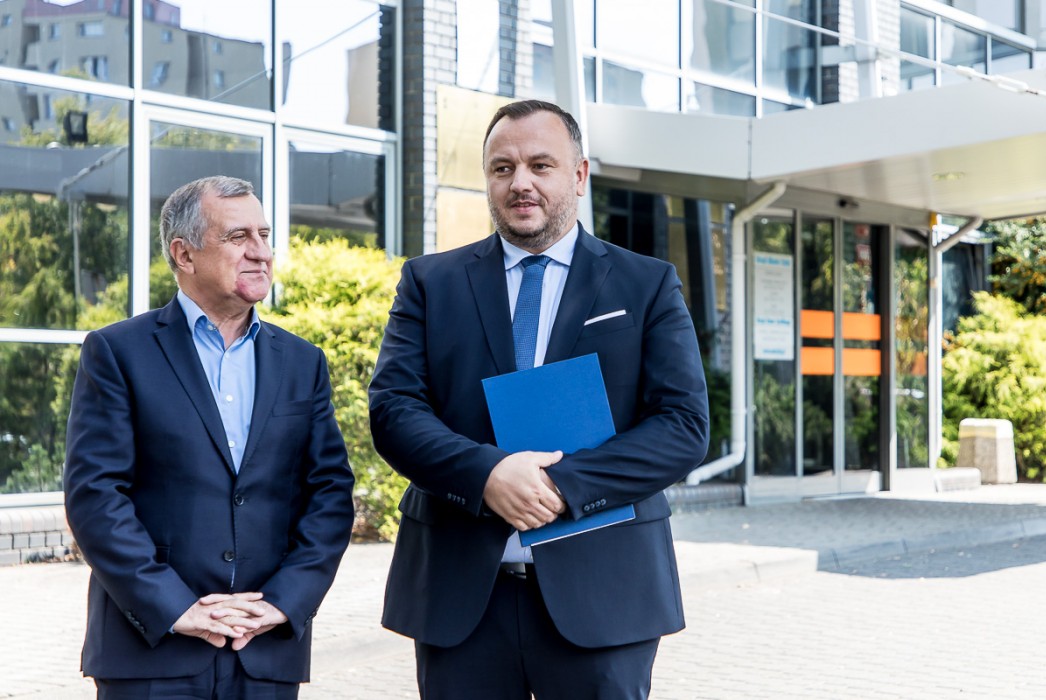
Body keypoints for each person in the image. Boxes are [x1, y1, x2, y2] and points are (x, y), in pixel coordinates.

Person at [369, 99, 710, 699]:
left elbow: (682, 425)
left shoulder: (646, 283)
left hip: (603, 595)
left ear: (578, 175)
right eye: (502, 168)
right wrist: (487, 475)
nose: (519, 182)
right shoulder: (429, 283)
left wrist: (561, 485)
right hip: (461, 597)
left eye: (540, 165)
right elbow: (394, 410)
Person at [64, 175, 355, 699]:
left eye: (264, 235)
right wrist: (174, 606)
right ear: (184, 254)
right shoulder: (117, 352)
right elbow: (96, 497)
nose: (260, 252)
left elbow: (330, 492)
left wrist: (284, 601)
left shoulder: (302, 362)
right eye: (238, 236)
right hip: (153, 652)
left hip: (264, 650)